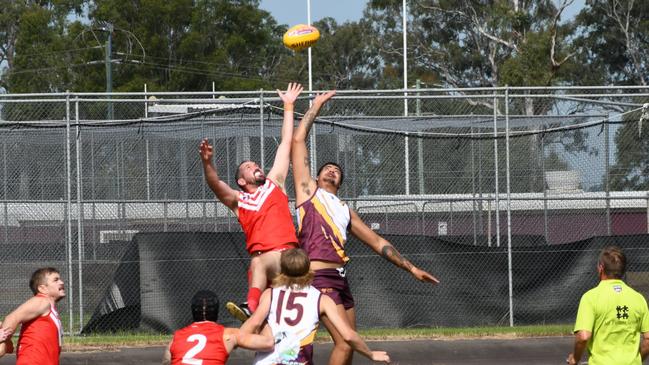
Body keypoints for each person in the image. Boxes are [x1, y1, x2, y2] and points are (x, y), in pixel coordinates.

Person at [291, 90, 439, 365]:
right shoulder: (308, 192)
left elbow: (377, 241)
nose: (332, 170)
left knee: (350, 343)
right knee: (346, 342)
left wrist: (411, 268)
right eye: (327, 168)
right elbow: (298, 140)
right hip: (317, 278)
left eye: (337, 169)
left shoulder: (346, 210)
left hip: (340, 279)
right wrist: (316, 105)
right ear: (317, 175)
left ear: (341, 180)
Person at [199, 82, 303, 321]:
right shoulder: (239, 201)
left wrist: (288, 106)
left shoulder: (274, 184)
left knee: (257, 264)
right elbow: (215, 184)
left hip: (287, 257)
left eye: (256, 164)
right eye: (248, 167)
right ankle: (253, 319)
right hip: (266, 269)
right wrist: (207, 163)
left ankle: (250, 306)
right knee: (265, 327)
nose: (255, 166)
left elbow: (286, 144)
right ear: (242, 181)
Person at [240, 248, 390, 365]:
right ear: (309, 269)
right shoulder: (321, 299)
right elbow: (348, 335)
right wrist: (370, 354)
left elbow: (254, 323)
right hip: (298, 360)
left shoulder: (269, 294)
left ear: (282, 270)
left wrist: (233, 341)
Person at [567, 245, 649, 365]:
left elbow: (583, 336)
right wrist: (636, 360)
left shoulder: (590, 297)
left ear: (601, 268)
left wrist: (575, 358)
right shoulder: (638, 299)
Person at [162, 290, 274, 365]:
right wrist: (260, 319)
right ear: (216, 311)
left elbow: (167, 361)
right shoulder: (228, 335)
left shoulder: (176, 338)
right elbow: (268, 343)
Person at [0, 267, 65, 365]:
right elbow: (12, 318)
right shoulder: (42, 301)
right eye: (56, 280)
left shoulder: (50, 308)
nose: (62, 282)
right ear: (42, 288)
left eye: (60, 279)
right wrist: (2, 345)